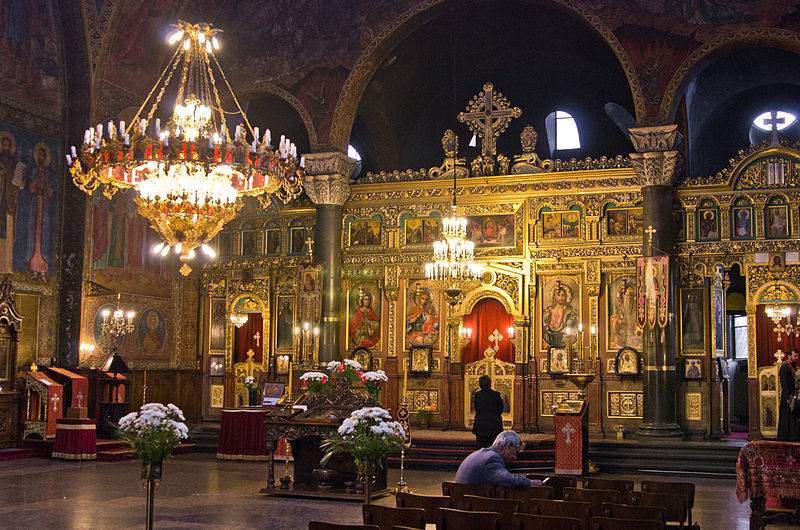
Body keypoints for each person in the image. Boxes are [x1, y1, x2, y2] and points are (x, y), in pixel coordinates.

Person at [455, 431, 542, 488]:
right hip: (473, 509)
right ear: (508, 446)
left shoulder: (480, 453)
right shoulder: (491, 458)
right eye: (515, 452)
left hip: (465, 502)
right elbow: (507, 479)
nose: (514, 458)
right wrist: (530, 483)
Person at [471, 375, 504, 448]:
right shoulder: (496, 395)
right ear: (490, 383)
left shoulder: (477, 395)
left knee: (480, 448)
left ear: (480, 384)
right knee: (494, 448)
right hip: (494, 425)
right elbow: (500, 408)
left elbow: (476, 408)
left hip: (481, 425)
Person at [542, 282, 578, 348]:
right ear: (554, 297)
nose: (561, 297)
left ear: (567, 296)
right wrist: (546, 319)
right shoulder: (548, 311)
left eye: (563, 295)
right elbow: (544, 326)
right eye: (558, 295)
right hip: (550, 336)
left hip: (564, 337)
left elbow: (574, 328)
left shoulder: (570, 311)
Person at [778, 348, 800, 441]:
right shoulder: (784, 367)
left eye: (797, 356)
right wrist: (787, 397)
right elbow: (784, 384)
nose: (797, 358)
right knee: (786, 417)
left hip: (793, 395)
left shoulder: (793, 366)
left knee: (792, 417)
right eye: (794, 356)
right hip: (787, 397)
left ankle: (792, 436)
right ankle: (784, 437)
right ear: (789, 356)